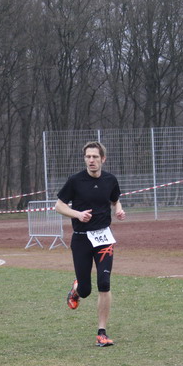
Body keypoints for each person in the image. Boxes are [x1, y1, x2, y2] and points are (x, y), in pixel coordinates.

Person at [55, 141, 126, 347]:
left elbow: (115, 200)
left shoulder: (110, 180)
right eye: (88, 157)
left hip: (103, 238)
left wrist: (118, 210)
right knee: (86, 290)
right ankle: (77, 289)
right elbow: (58, 206)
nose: (91, 160)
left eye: (95, 157)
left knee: (104, 283)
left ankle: (101, 332)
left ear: (103, 159)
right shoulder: (75, 181)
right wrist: (77, 214)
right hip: (81, 238)